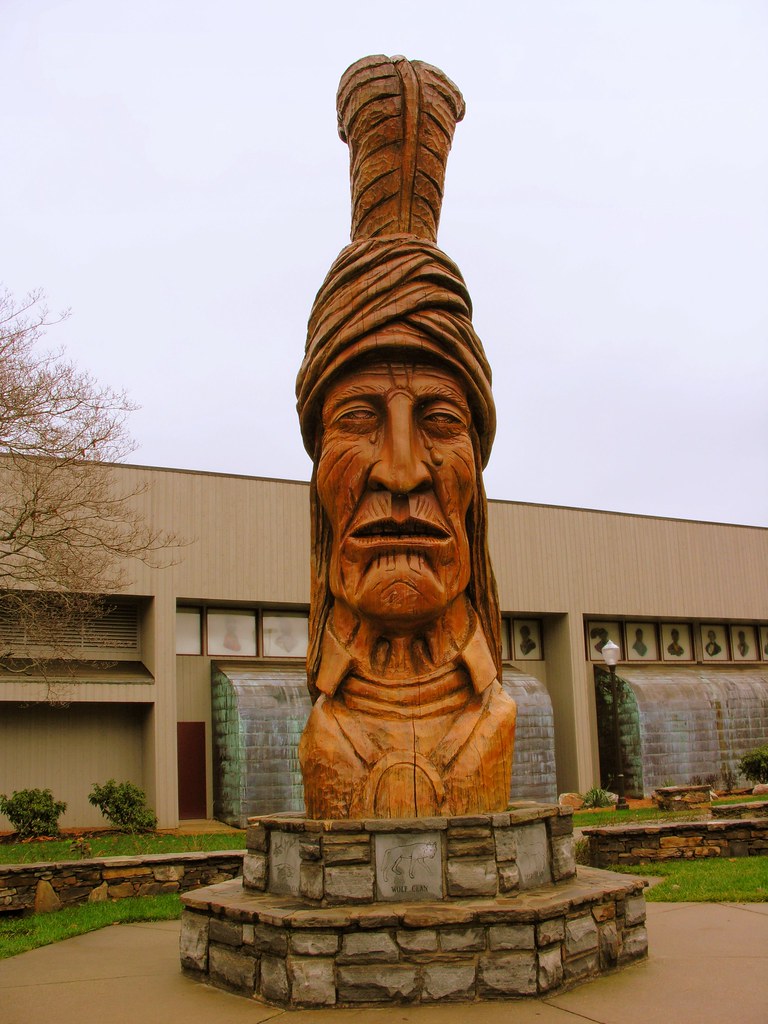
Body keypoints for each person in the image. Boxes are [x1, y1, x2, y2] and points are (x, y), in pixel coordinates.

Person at [296, 56, 516, 820]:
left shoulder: (495, 722)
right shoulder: (324, 729)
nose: (400, 472)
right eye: (356, 418)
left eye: (442, 421)